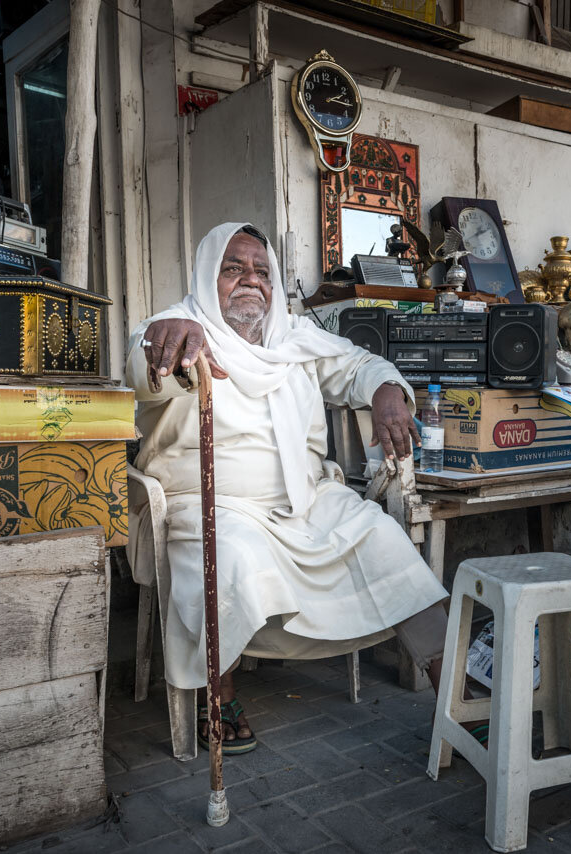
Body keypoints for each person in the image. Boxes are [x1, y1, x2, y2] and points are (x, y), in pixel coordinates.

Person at [126, 221, 450, 754]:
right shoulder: (178, 329)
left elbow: (359, 365)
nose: (251, 280)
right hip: (211, 504)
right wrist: (161, 347)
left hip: (307, 501)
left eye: (262, 271)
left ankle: (454, 697)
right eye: (234, 269)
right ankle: (220, 690)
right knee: (230, 556)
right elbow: (140, 367)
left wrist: (389, 391)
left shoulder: (294, 339)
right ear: (208, 277)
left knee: (386, 541)